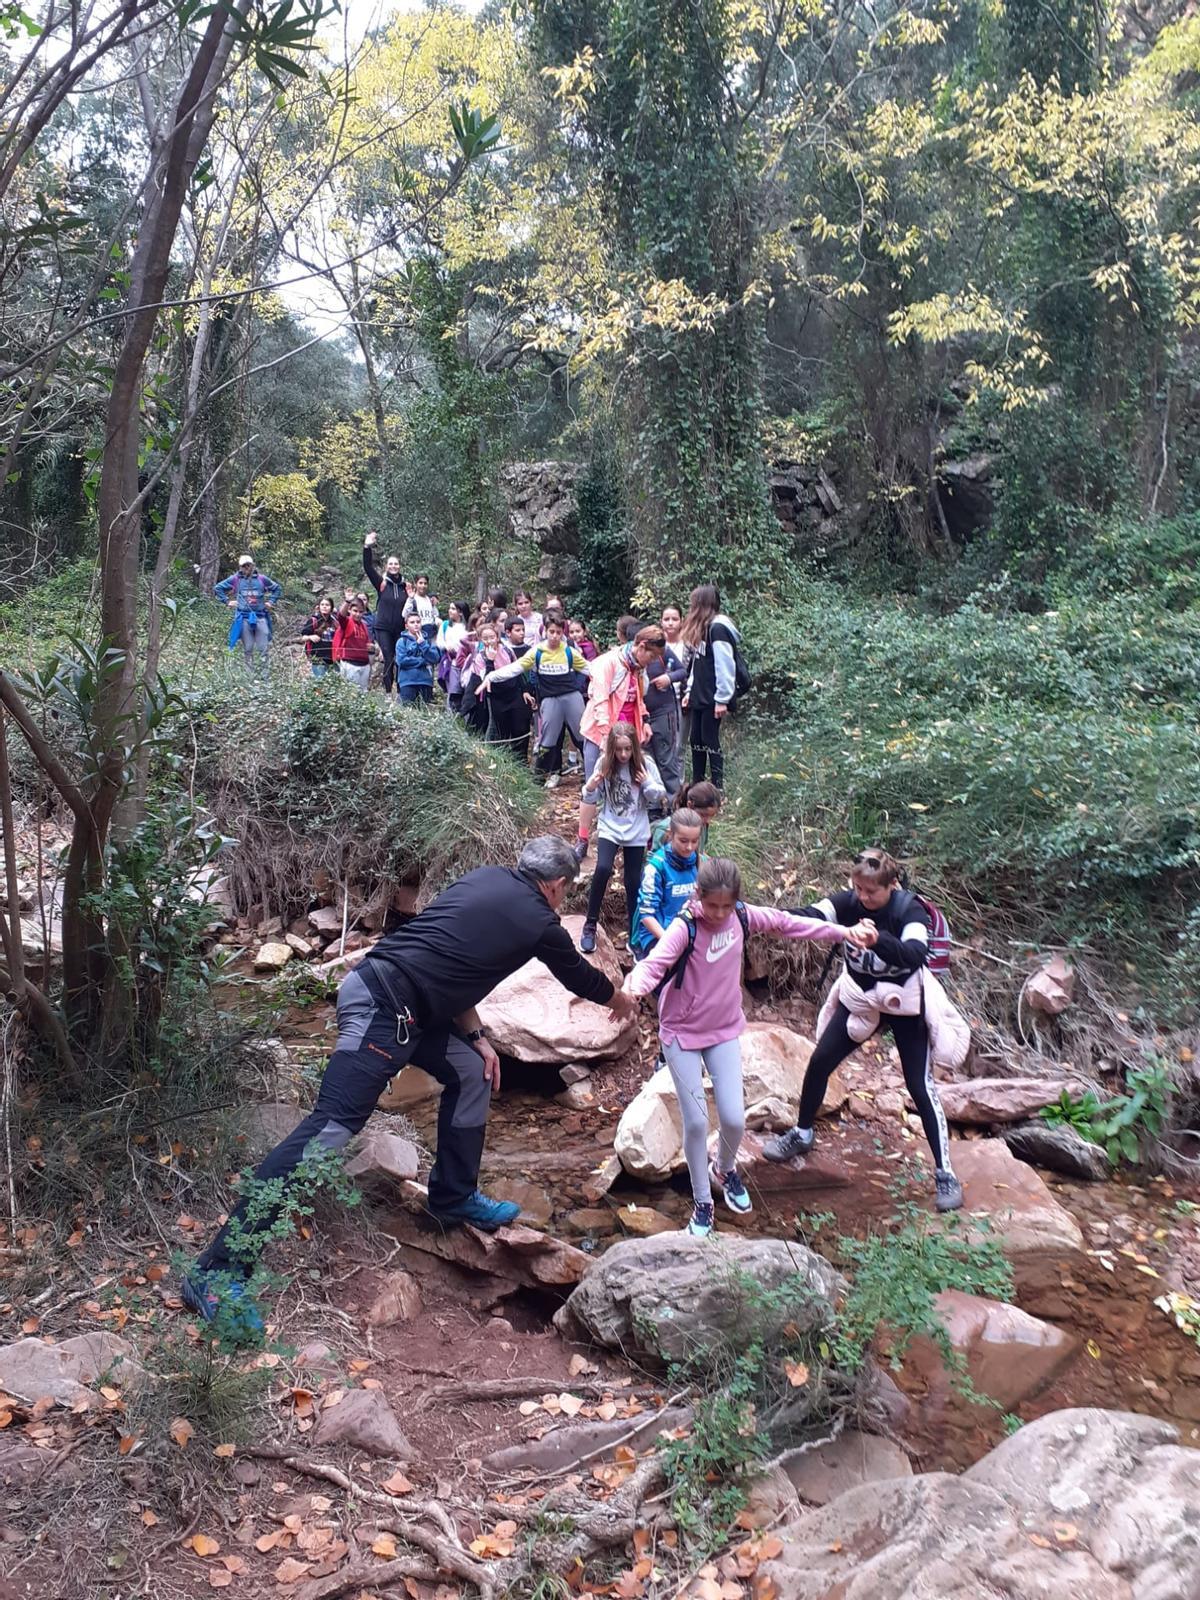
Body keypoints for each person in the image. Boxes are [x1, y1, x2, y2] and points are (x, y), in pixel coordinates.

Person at [180, 837, 640, 1327]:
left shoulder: (484, 879)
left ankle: (452, 1196)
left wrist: (478, 1036)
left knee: (471, 1070)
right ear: (556, 886)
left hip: (413, 1011)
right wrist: (622, 1003)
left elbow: (454, 970)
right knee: (332, 1128)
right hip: (382, 1004)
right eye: (565, 890)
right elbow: (580, 978)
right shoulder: (539, 921)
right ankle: (216, 1270)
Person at [626, 857, 850, 1237]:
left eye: (725, 906)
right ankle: (702, 1202)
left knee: (734, 1118)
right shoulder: (686, 928)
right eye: (711, 905)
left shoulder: (743, 917)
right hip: (680, 1033)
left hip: (724, 1030)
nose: (717, 913)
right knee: (696, 1121)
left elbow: (786, 923)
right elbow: (655, 963)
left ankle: (725, 1170)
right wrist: (631, 989)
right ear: (698, 897)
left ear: (736, 902)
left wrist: (842, 933)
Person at [763, 848, 963, 1213]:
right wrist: (765, 917)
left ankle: (945, 1172)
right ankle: (802, 1133)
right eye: (857, 889)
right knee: (821, 1060)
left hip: (904, 1003)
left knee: (919, 1086)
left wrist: (876, 941)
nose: (863, 898)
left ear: (892, 886)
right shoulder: (849, 902)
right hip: (861, 999)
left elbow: (915, 953)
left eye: (871, 892)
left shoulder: (908, 909)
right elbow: (811, 916)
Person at [575, 624, 665, 863]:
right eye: (653, 655)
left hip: (628, 735)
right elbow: (600, 700)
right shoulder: (609, 663)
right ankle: (583, 838)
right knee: (594, 783)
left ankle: (634, 836)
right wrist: (606, 737)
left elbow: (637, 699)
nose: (653, 661)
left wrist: (644, 720)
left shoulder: (636, 667)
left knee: (633, 782)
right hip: (601, 734)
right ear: (641, 646)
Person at [578, 725, 665, 954]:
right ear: (612, 749)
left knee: (633, 881)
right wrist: (592, 785)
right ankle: (590, 924)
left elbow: (659, 795)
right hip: (610, 826)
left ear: (634, 746)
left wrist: (646, 782)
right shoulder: (604, 762)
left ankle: (635, 935)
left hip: (636, 830)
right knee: (603, 869)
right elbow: (590, 795)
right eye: (619, 750)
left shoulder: (645, 764)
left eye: (627, 749)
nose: (623, 754)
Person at [484, 614, 589, 788]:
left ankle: (592, 773)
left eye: (558, 632)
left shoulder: (569, 651)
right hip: (549, 700)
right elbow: (515, 668)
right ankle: (538, 780)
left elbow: (589, 668)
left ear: (563, 633)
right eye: (551, 632)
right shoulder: (537, 651)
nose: (554, 636)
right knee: (548, 738)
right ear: (545, 631)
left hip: (572, 697)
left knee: (582, 736)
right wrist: (492, 676)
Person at [681, 584, 740, 789]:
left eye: (694, 603)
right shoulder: (704, 628)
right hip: (699, 694)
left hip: (713, 696)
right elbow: (697, 664)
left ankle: (717, 786)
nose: (691, 608)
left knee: (709, 739)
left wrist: (722, 699)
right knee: (695, 738)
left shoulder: (718, 629)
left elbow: (725, 666)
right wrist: (689, 691)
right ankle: (697, 783)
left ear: (702, 604)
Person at [631, 806, 703, 958]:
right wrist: (669, 942)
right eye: (683, 841)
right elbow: (647, 914)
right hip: (657, 935)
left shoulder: (699, 862)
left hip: (688, 931)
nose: (689, 847)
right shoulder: (655, 868)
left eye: (694, 841)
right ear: (671, 834)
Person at [215, 554, 281, 676]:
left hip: (260, 616)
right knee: (248, 648)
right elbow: (218, 588)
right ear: (240, 567)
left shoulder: (262, 579)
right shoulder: (235, 579)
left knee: (263, 648)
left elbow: (277, 588)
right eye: (243, 566)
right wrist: (227, 601)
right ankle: (249, 676)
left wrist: (271, 601)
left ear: (252, 565)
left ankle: (264, 677)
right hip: (243, 618)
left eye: (248, 565)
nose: (246, 568)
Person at [644, 618, 687, 802]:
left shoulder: (664, 653)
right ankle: (654, 805)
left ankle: (675, 803)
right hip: (641, 714)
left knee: (666, 758)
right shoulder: (630, 658)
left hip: (664, 711)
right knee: (647, 759)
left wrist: (668, 678)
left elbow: (682, 671)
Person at [362, 530, 405, 696]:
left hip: (400, 628)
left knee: (399, 659)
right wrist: (367, 547)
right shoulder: (382, 583)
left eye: (396, 564)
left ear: (399, 567)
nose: (393, 566)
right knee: (388, 658)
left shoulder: (405, 586)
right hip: (383, 627)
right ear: (387, 566)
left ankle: (401, 692)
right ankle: (388, 694)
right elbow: (368, 567)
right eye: (391, 564)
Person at [460, 620, 511, 737]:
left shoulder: (507, 651)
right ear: (480, 640)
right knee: (489, 728)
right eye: (485, 638)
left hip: (507, 692)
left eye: (492, 637)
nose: (489, 641)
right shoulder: (480, 656)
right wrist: (490, 660)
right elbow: (487, 678)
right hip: (488, 696)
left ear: (497, 637)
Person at [650, 779, 722, 853]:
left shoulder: (702, 826)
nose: (708, 821)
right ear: (690, 805)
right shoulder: (665, 828)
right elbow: (653, 858)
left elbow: (699, 853)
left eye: (712, 816)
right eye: (703, 815)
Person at [394, 612, 441, 705]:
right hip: (407, 682)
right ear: (406, 626)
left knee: (424, 712)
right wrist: (423, 661)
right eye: (412, 622)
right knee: (408, 712)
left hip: (425, 681)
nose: (416, 624)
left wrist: (423, 645)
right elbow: (402, 661)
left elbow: (435, 658)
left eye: (418, 622)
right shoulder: (401, 641)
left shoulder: (428, 641)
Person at [332, 597, 373, 690]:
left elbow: (367, 642)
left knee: (363, 694)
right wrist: (347, 601)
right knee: (350, 693)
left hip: (364, 664)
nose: (358, 614)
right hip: (349, 662)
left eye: (361, 612)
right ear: (349, 610)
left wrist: (370, 647)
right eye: (355, 611)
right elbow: (340, 616)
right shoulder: (346, 622)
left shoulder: (364, 626)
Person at [437, 602, 469, 711]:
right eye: (450, 608)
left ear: (460, 612)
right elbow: (439, 641)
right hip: (451, 662)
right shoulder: (446, 625)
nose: (450, 611)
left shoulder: (467, 626)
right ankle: (451, 715)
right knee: (452, 691)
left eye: (453, 609)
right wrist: (447, 646)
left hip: (465, 662)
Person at [300, 596, 336, 680]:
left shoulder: (334, 622)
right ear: (318, 607)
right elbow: (303, 637)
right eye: (322, 604)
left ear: (331, 608)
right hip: (318, 658)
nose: (324, 607)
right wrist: (311, 637)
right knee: (319, 684)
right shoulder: (313, 621)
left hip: (332, 658)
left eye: (327, 605)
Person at [403, 574, 439, 642]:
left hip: (432, 632)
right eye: (420, 583)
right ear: (416, 584)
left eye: (425, 583)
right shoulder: (412, 599)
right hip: (418, 632)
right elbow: (404, 614)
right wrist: (410, 599)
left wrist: (433, 605)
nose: (423, 586)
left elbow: (436, 615)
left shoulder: (429, 599)